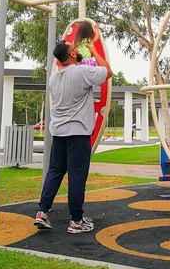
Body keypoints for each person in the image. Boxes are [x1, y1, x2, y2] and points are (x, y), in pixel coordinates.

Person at [34, 27, 112, 234]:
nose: (76, 47)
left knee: (55, 171)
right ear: (72, 54)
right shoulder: (82, 72)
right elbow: (108, 72)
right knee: (77, 176)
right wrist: (94, 50)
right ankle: (76, 221)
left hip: (58, 132)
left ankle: (42, 212)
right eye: (74, 47)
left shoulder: (53, 78)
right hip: (77, 133)